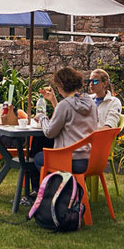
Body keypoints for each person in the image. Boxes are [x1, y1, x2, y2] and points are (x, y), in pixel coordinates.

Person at [26, 67, 97, 199]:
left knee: (38, 156)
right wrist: (53, 101)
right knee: (43, 147)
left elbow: (49, 132)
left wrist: (42, 117)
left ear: (60, 86)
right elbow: (70, 114)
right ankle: (62, 192)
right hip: (89, 158)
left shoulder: (65, 105)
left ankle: (44, 194)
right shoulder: (89, 102)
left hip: (69, 159)